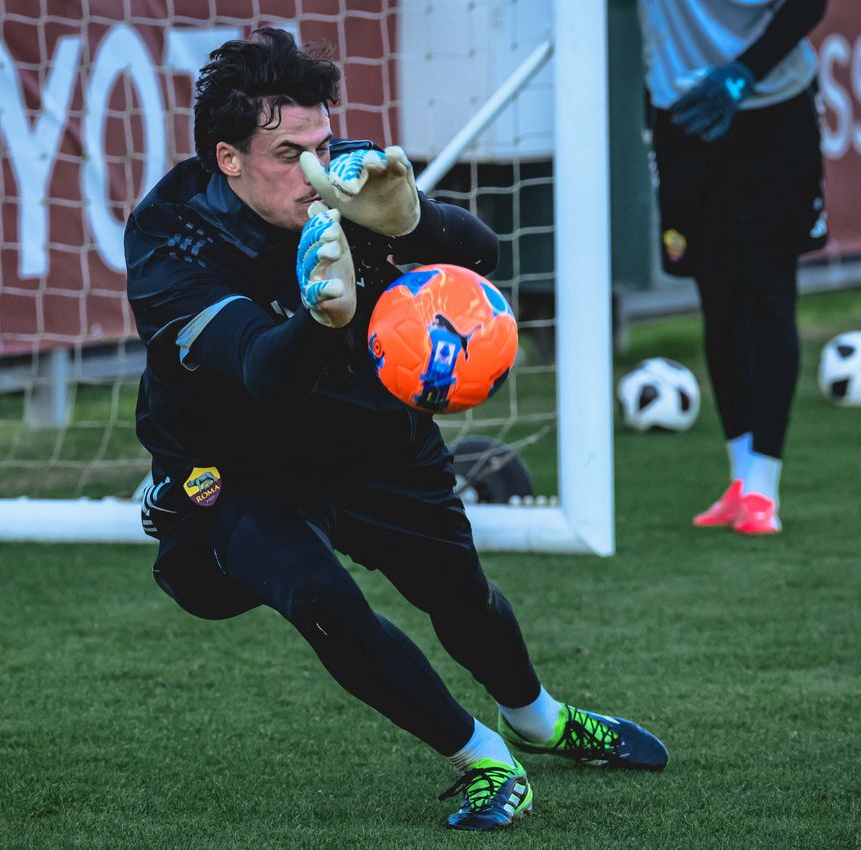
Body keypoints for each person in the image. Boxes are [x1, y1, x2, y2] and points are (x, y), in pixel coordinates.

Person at [125, 28, 667, 831]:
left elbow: (479, 254)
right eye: (286, 154)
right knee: (301, 594)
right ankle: (483, 757)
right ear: (227, 158)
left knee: (461, 598)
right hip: (241, 453)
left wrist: (408, 217)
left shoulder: (346, 169)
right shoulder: (170, 235)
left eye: (319, 140)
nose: (313, 168)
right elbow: (265, 373)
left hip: (370, 431)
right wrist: (322, 316)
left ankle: (539, 717)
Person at [639, 0, 829, 534]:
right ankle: (741, 479)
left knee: (768, 293)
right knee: (717, 298)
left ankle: (764, 485)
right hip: (684, 112)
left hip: (773, 110)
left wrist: (744, 74)